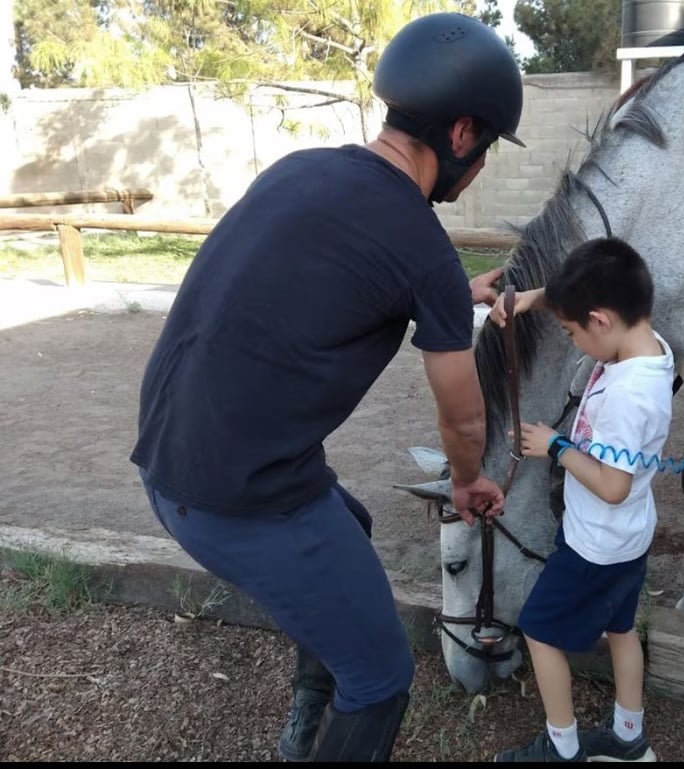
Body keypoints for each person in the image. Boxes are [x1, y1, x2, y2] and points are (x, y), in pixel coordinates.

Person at [129, 12, 525, 763]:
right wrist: (469, 483)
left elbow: (335, 272)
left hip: (165, 464)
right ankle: (336, 705)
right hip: (240, 502)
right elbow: (463, 417)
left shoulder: (300, 168)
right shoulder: (421, 247)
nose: (483, 167)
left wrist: (449, 294)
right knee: (382, 676)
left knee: (352, 521)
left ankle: (308, 718)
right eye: (490, 148)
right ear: (463, 134)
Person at [488, 236, 674, 762]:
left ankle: (562, 748)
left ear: (599, 320)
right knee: (620, 629)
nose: (573, 342)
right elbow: (591, 297)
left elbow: (613, 487)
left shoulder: (626, 395)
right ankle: (628, 737)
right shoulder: (648, 343)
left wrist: (557, 446)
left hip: (595, 543)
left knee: (540, 630)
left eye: (572, 332)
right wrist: (530, 299)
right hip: (630, 538)